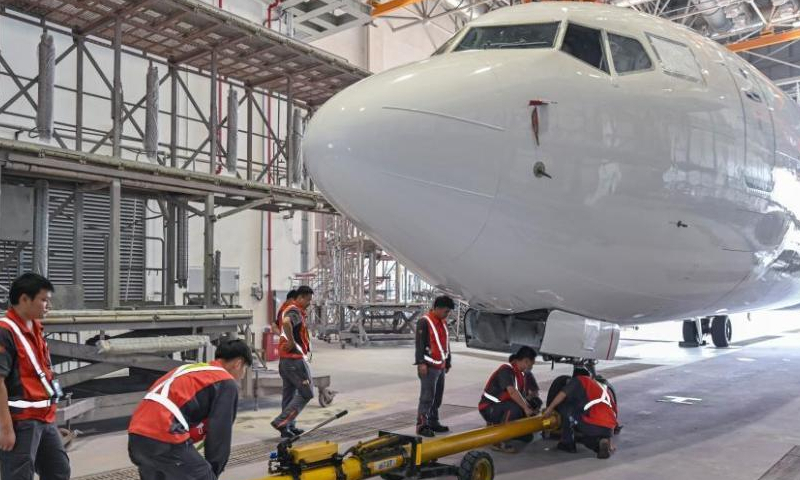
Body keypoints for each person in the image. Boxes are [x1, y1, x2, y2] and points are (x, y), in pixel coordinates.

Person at [128, 338, 252, 480]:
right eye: (245, 369)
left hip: (136, 438)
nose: (242, 375)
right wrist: (212, 473)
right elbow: (219, 434)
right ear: (238, 363)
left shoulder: (191, 371)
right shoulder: (224, 381)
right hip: (165, 435)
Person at [0, 273, 69, 480]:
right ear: (24, 299)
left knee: (59, 471)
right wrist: (5, 428)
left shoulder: (36, 328)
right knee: (19, 475)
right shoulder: (5, 331)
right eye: (44, 300)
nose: (48, 306)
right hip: (21, 421)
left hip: (45, 418)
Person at [542, 365, 618, 459]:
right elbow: (613, 413)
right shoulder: (601, 386)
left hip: (592, 426)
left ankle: (567, 443)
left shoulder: (579, 379)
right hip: (609, 429)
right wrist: (610, 441)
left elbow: (562, 394)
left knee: (566, 409)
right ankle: (604, 441)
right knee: (586, 413)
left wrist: (549, 409)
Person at [271, 285, 314, 438]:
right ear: (300, 297)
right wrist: (290, 341)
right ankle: (282, 422)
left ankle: (288, 427)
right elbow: (286, 322)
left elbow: (276, 325)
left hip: (285, 360)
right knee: (307, 392)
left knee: (289, 395)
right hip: (295, 361)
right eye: (308, 300)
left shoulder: (286, 309)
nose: (309, 303)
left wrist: (285, 338)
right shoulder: (294, 310)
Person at [478, 346, 539, 453]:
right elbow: (512, 392)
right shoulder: (506, 370)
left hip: (501, 406)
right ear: (525, 361)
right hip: (489, 408)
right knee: (515, 408)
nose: (531, 367)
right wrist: (525, 408)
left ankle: (511, 432)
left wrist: (530, 406)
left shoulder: (520, 374)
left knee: (527, 436)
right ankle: (497, 440)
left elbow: (521, 396)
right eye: (531, 364)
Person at [415, 295, 454, 437]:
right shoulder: (425, 322)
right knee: (427, 397)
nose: (447, 314)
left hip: (440, 366)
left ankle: (433, 421)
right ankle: (422, 425)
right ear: (437, 308)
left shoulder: (442, 322)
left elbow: (445, 342)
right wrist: (421, 363)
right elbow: (419, 344)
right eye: (446, 311)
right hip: (429, 366)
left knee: (437, 397)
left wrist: (448, 361)